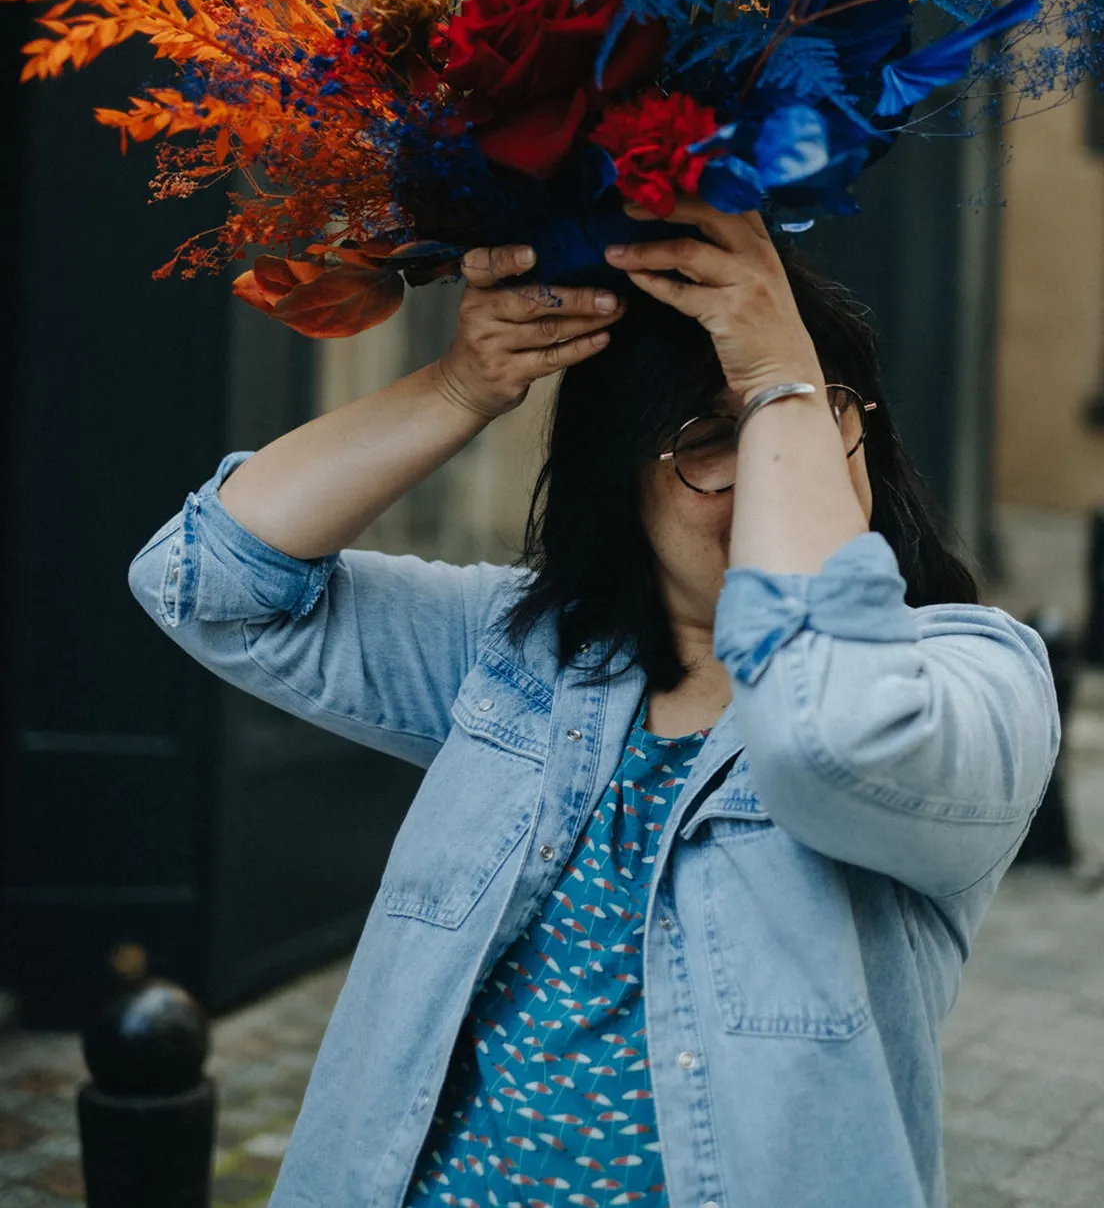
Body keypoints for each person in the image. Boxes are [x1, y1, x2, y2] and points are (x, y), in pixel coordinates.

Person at [128, 202, 1059, 1208]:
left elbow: (825, 727)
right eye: (710, 436)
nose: (766, 471)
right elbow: (204, 581)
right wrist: (459, 383)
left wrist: (777, 371)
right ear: (623, 484)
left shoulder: (970, 680)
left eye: (797, 421)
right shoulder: (529, 653)